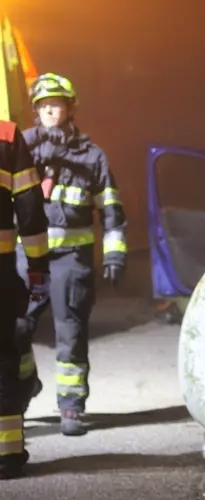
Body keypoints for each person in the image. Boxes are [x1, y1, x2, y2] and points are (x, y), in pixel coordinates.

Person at [17, 72, 127, 436]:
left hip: (71, 260)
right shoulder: (21, 149)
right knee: (14, 331)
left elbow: (111, 210)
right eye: (44, 106)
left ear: (69, 109)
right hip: (28, 257)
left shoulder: (92, 156)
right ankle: (21, 390)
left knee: (71, 333)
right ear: (37, 110)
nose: (51, 111)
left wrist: (114, 255)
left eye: (57, 105)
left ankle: (71, 407)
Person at [0, 118, 50, 478]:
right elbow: (30, 207)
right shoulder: (5, 136)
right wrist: (38, 268)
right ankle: (7, 455)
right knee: (4, 359)